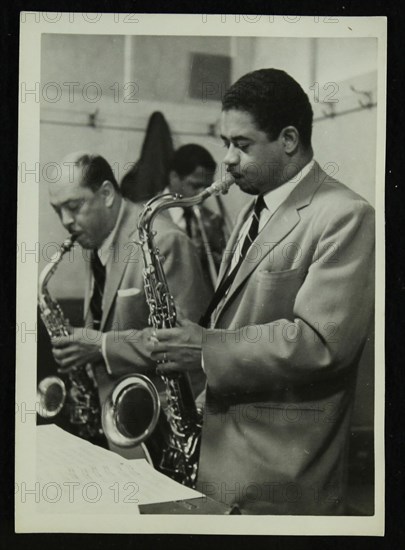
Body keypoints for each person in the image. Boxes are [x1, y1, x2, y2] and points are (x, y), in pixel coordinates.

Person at [143, 69, 375, 514]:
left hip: (277, 480)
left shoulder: (345, 214)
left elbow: (322, 342)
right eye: (226, 142)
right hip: (222, 461)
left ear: (288, 139)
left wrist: (208, 350)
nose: (226, 159)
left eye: (241, 144)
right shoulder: (256, 208)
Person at [48, 152, 210, 453]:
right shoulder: (96, 238)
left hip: (162, 429)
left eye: (73, 207)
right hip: (119, 417)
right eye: (58, 211)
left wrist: (100, 346)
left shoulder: (164, 241)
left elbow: (185, 343)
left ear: (107, 194)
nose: (66, 221)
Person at [166, 144, 228, 292]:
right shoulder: (150, 216)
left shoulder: (212, 220)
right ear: (174, 177)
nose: (202, 196)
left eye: (206, 188)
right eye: (195, 186)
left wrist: (214, 253)